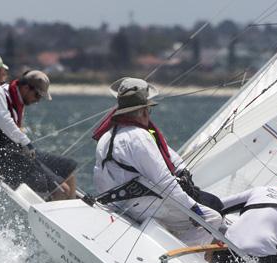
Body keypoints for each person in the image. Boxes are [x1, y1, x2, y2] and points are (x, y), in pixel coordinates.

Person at [92, 77, 222, 245]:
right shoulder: (139, 136)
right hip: (141, 206)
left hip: (117, 204)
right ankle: (178, 261)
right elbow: (165, 181)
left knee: (199, 208)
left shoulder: (107, 135)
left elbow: (170, 155)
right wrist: (193, 209)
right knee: (212, 218)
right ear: (145, 111)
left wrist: (182, 169)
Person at [0, 63, 77, 200]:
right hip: (1, 155)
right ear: (26, 88)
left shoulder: (19, 99)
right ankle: (57, 212)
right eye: (37, 95)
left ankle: (74, 214)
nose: (37, 101)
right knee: (62, 191)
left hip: (18, 151)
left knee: (69, 171)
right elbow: (0, 122)